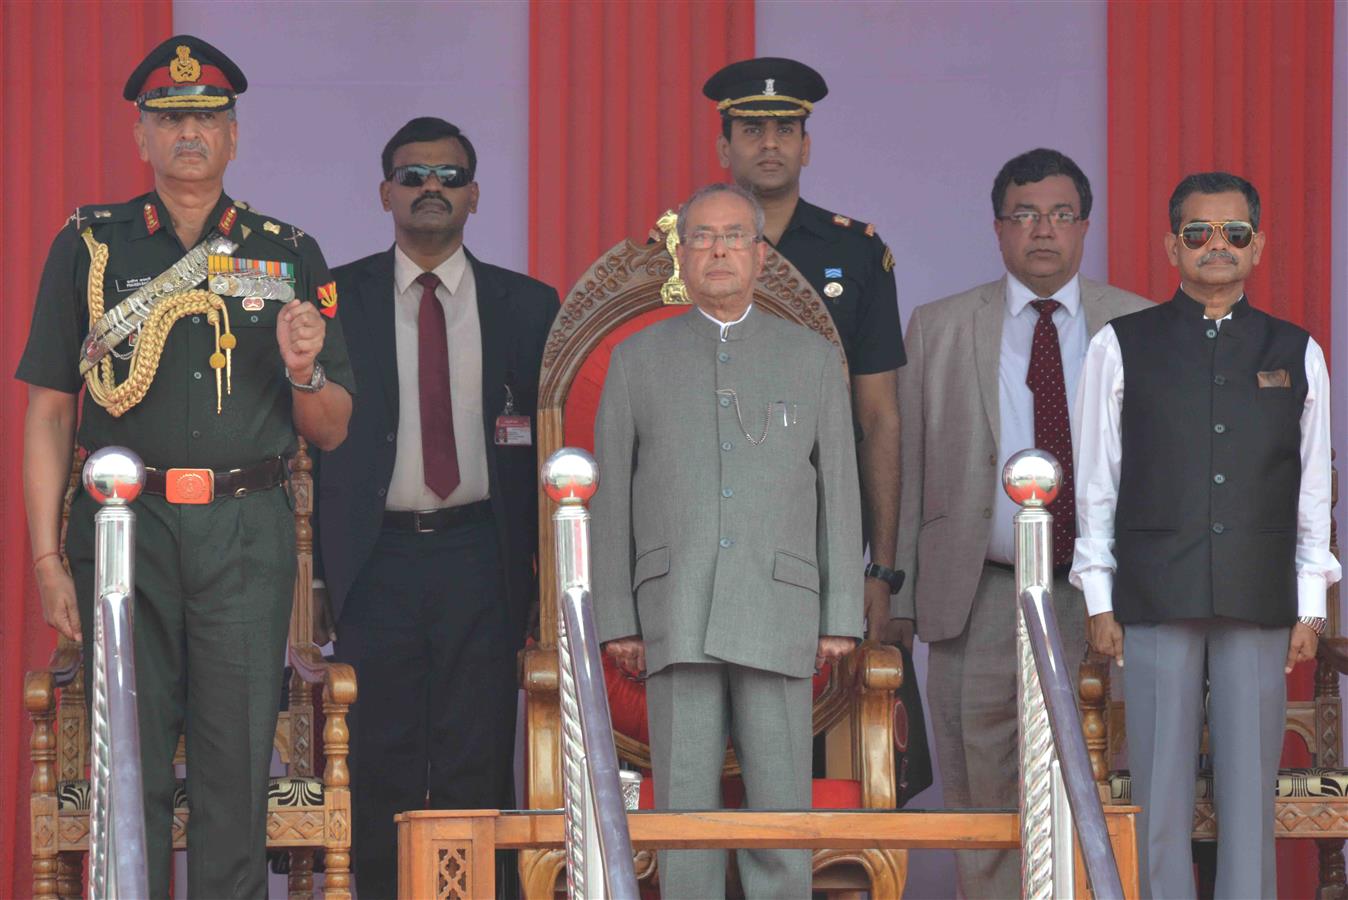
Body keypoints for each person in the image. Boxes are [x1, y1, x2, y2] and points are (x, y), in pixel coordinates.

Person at [17, 35, 353, 897]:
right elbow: (51, 408)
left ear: (235, 135)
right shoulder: (92, 247)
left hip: (246, 532)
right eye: (169, 117)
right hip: (125, 531)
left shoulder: (287, 253)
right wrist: (49, 558)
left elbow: (334, 426)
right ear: (141, 136)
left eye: (206, 116)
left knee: (234, 767)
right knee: (126, 755)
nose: (189, 132)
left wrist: (306, 370)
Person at [1072, 171, 1340, 897]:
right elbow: (1097, 480)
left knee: (1249, 789)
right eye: (1198, 233)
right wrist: (1098, 594)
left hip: (1260, 591)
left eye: (1234, 233)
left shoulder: (1296, 349)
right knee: (1160, 786)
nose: (1216, 246)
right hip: (1156, 587)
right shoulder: (1119, 345)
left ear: (1259, 247)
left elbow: (1314, 489)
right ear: (1171, 246)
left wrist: (1311, 602)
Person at [592, 181, 863, 899]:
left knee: (781, 811)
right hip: (673, 608)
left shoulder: (810, 357)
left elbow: (839, 489)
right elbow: (610, 496)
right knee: (685, 813)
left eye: (733, 236)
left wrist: (841, 614)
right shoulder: (637, 358)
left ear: (761, 254)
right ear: (680, 253)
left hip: (779, 606)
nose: (717, 250)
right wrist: (617, 615)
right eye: (702, 237)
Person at [313, 116, 559, 899]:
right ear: (386, 191)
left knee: (478, 748)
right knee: (378, 751)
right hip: (373, 557)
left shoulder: (527, 304)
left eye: (449, 176)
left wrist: (543, 578)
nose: (431, 188)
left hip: (481, 552)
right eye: (414, 174)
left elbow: (549, 443)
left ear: (476, 196)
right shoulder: (333, 299)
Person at [893, 148, 1149, 897]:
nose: (1044, 230)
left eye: (1061, 214)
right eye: (1025, 214)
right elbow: (909, 471)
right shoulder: (938, 327)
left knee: (1105, 784)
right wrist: (900, 598)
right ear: (998, 228)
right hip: (976, 594)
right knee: (983, 796)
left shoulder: (1138, 324)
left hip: (1106, 598)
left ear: (1086, 227)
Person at [703, 57, 905, 644]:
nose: (771, 145)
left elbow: (878, 415)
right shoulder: (680, 250)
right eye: (752, 131)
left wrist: (881, 568)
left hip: (823, 526)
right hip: (710, 520)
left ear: (806, 147)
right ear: (724, 149)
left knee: (823, 712)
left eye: (785, 131)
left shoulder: (859, 252)